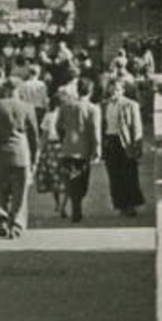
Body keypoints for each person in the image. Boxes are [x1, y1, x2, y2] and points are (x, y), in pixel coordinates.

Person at [0, 78, 40, 238]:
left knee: (2, 189)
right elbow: (34, 136)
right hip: (22, 154)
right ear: (19, 90)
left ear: (5, 89)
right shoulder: (28, 107)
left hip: (1, 154)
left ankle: (1, 215)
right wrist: (35, 158)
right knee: (20, 192)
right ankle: (15, 224)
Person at [54, 77, 102, 223]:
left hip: (68, 148)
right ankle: (77, 208)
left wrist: (64, 138)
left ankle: (76, 207)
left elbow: (58, 126)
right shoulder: (93, 109)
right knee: (81, 181)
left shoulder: (66, 106)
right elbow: (95, 131)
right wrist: (97, 149)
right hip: (84, 150)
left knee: (71, 180)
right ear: (91, 91)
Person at [101, 76, 146, 216]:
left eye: (118, 89)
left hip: (126, 143)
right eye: (112, 89)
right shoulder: (104, 105)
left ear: (123, 90)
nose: (115, 92)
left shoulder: (131, 105)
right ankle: (120, 204)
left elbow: (137, 128)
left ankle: (131, 205)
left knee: (129, 175)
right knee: (114, 175)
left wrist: (137, 148)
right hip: (110, 141)